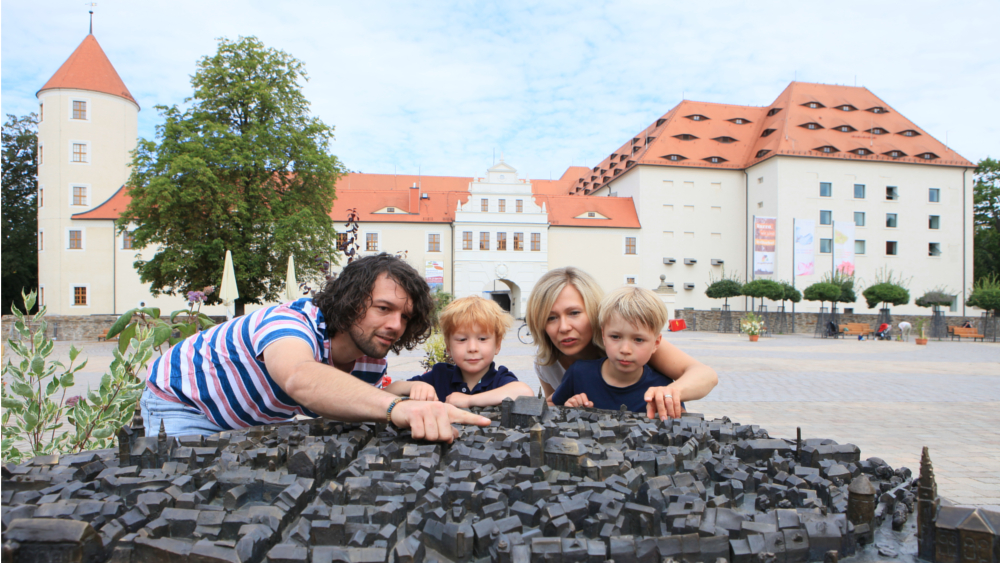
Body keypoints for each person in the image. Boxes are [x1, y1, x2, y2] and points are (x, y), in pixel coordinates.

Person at [140, 253, 490, 442]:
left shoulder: (369, 356)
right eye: (384, 308)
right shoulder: (289, 322)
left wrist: (410, 391)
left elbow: (361, 394)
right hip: (183, 404)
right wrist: (397, 408)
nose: (396, 325)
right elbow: (300, 377)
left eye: (404, 316)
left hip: (244, 421)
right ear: (352, 301)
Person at [526, 267, 717, 420]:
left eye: (574, 313)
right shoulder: (547, 363)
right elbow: (554, 410)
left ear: (594, 312)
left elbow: (705, 375)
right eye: (551, 318)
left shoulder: (628, 336)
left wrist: (668, 394)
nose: (564, 327)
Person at [385, 295, 533, 407]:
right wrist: (413, 386)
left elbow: (525, 392)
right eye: (462, 339)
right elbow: (389, 391)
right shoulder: (440, 376)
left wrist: (470, 400)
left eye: (482, 339)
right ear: (448, 347)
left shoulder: (499, 379)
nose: (472, 348)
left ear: (498, 345)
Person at [551, 286, 676, 412]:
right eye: (615, 337)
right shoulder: (578, 373)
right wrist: (567, 409)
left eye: (638, 340)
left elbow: (680, 423)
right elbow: (552, 407)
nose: (625, 349)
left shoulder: (663, 386)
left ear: (656, 343)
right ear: (603, 336)